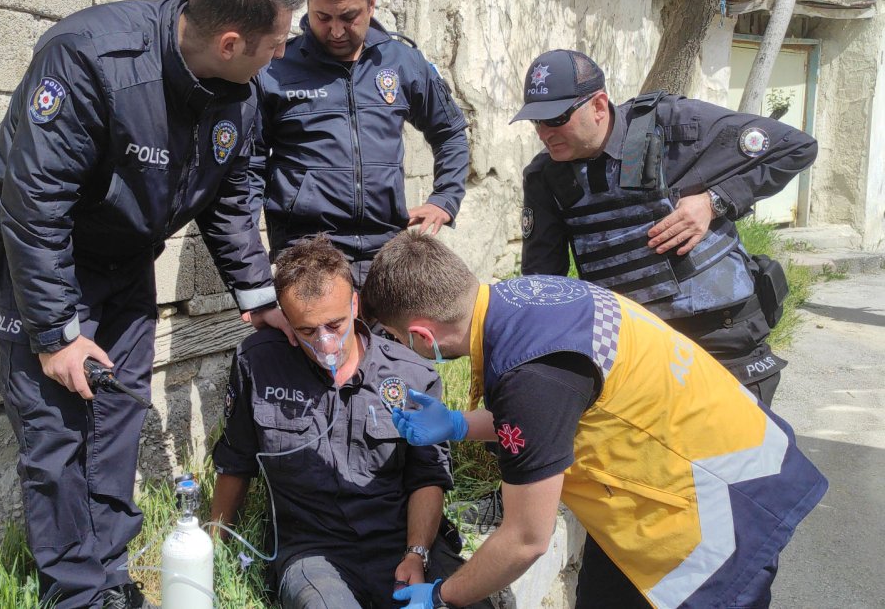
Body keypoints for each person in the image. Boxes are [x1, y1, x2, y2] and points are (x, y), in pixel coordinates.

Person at [0, 0, 304, 609]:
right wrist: (56, 333)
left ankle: (110, 578)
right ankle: (76, 595)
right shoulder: (92, 58)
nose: (281, 57)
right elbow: (34, 204)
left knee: (117, 422)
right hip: (49, 263)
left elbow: (230, 197)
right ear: (230, 42)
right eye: (274, 44)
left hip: (127, 265)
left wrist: (260, 296)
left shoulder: (241, 90)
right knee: (58, 435)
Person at [361, 231, 827, 609]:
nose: (401, 349)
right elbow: (560, 407)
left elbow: (526, 539)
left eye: (398, 339)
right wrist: (459, 424)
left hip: (719, 514)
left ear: (422, 334)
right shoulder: (528, 298)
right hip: (716, 463)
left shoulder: (528, 374)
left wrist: (442, 595)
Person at [515, 50, 818, 406]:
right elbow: (543, 283)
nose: (544, 133)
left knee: (742, 441)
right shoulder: (546, 177)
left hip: (722, 335)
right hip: (636, 346)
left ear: (597, 105)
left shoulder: (676, 124)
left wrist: (714, 201)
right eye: (537, 122)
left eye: (556, 118)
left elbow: (795, 148)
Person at [210, 235, 498, 609]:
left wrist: (416, 553)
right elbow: (236, 463)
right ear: (286, 320)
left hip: (399, 540)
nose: (326, 343)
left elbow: (427, 476)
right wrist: (213, 554)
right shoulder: (259, 364)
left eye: (335, 324)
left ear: (355, 304)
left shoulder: (410, 373)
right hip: (312, 552)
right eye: (307, 330)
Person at [248, 0, 470, 287]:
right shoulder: (276, 68)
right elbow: (248, 168)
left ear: (372, 3)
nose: (336, 31)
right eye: (323, 18)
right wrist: (250, 262)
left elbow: (450, 131)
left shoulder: (402, 62)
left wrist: (445, 199)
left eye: (348, 17)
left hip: (387, 253)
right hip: (307, 255)